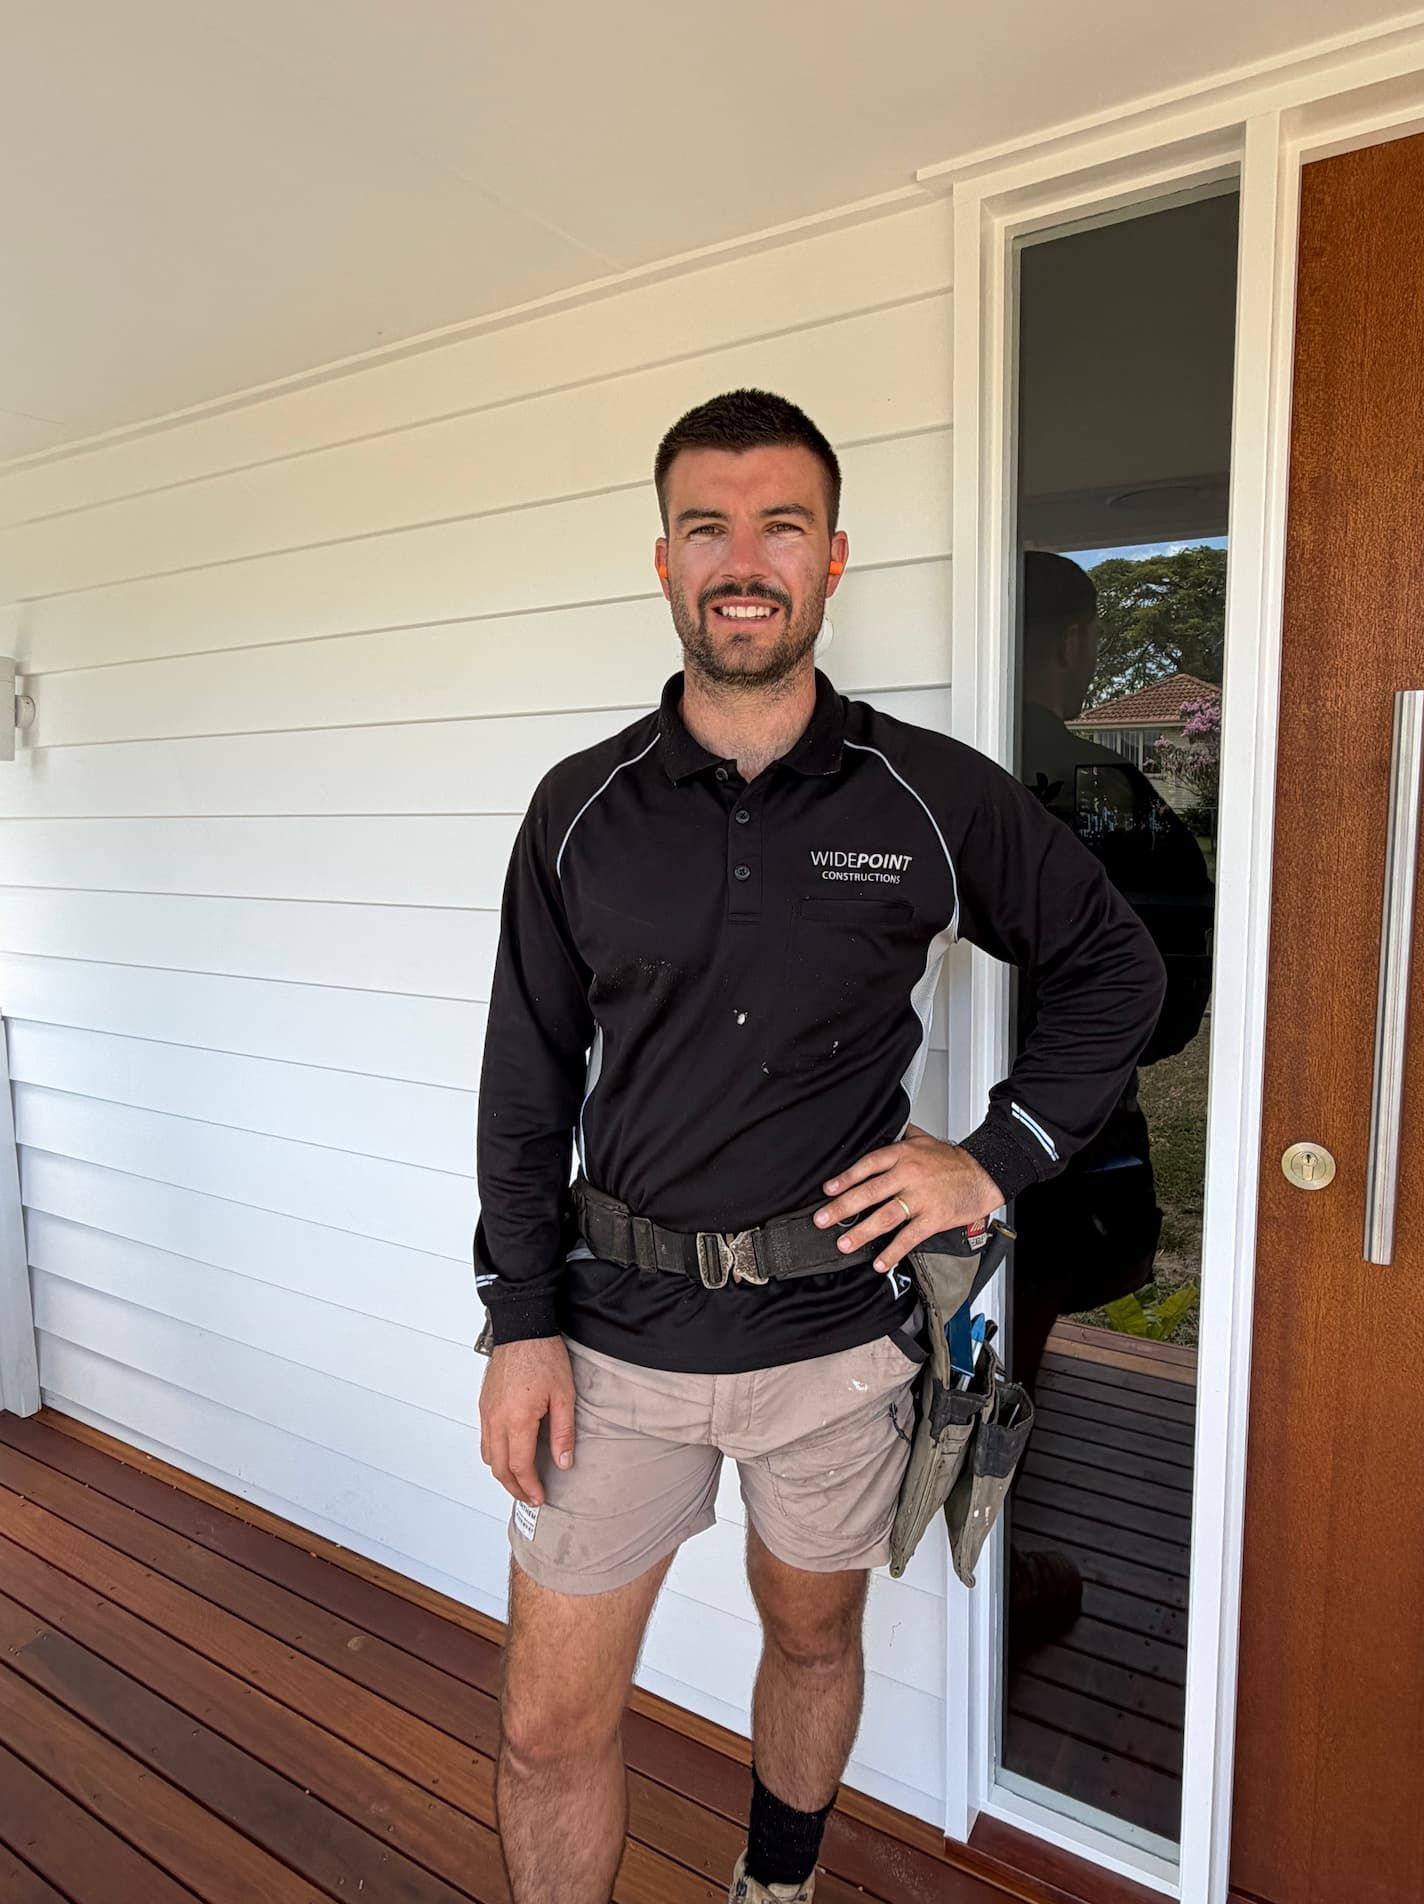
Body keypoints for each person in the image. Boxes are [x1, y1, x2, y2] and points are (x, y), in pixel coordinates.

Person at [473, 391, 1166, 1904]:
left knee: (811, 1639)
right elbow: (525, 1080)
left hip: (837, 1346)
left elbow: (1119, 963)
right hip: (615, 1348)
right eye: (708, 526)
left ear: (831, 558)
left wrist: (995, 1158)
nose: (744, 558)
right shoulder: (578, 812)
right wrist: (518, 1321)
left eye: (779, 525)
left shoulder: (926, 792)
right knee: (543, 1729)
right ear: (662, 559)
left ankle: (773, 1885)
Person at [1006, 550, 1215, 1648]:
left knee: (999, 1324)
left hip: (959, 1120)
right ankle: (987, 1582)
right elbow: (1175, 993)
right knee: (1012, 1334)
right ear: (1076, 645)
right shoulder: (1106, 796)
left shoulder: (943, 780)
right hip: (1066, 1140)